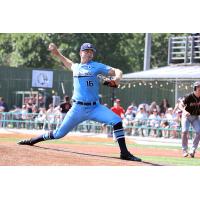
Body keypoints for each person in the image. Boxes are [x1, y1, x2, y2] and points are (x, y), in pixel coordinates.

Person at [17, 42, 141, 162]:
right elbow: (67, 62)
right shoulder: (76, 67)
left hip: (95, 108)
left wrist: (117, 78)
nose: (89, 53)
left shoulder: (96, 66)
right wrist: (56, 53)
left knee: (117, 121)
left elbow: (117, 70)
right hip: (77, 108)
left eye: (91, 52)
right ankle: (32, 140)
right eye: (87, 51)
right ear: (81, 52)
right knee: (58, 134)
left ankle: (124, 153)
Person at [178, 81, 200, 158]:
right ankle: (184, 150)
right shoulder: (189, 96)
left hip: (195, 117)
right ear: (195, 88)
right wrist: (184, 111)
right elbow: (180, 105)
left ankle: (193, 150)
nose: (199, 88)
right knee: (184, 131)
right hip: (186, 116)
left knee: (199, 131)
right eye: (198, 87)